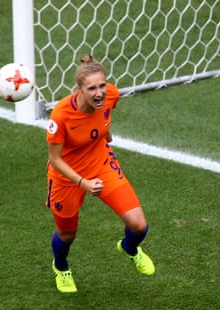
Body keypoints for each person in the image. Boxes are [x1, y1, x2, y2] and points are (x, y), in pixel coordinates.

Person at [46, 54, 155, 294]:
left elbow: (103, 118)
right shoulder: (61, 116)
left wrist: (105, 134)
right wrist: (83, 182)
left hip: (101, 164)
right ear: (79, 89)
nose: (99, 93)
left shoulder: (110, 95)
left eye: (102, 86)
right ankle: (61, 266)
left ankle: (129, 248)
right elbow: (55, 159)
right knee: (67, 233)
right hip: (68, 177)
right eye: (92, 88)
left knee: (139, 225)